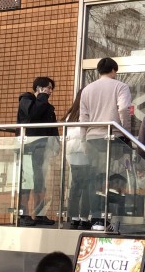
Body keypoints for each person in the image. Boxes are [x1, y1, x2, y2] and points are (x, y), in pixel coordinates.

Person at [79, 57, 132, 229]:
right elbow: (123, 109)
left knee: (95, 179)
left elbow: (83, 118)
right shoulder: (120, 86)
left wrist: (83, 141)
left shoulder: (87, 89)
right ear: (114, 70)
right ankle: (112, 217)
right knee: (115, 177)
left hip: (92, 138)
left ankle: (96, 217)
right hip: (113, 136)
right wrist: (126, 131)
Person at [16, 76, 59, 226]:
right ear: (39, 88)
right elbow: (33, 114)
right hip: (27, 146)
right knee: (27, 180)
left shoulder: (47, 106)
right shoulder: (26, 99)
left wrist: (57, 144)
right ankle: (23, 214)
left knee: (40, 180)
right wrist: (41, 96)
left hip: (42, 147)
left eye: (51, 89)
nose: (50, 91)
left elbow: (52, 127)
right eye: (48, 88)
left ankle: (40, 213)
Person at [62, 89, 92, 230]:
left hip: (71, 152)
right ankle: (84, 218)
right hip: (84, 151)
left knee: (75, 185)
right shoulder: (87, 113)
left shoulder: (70, 115)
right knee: (87, 186)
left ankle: (73, 217)